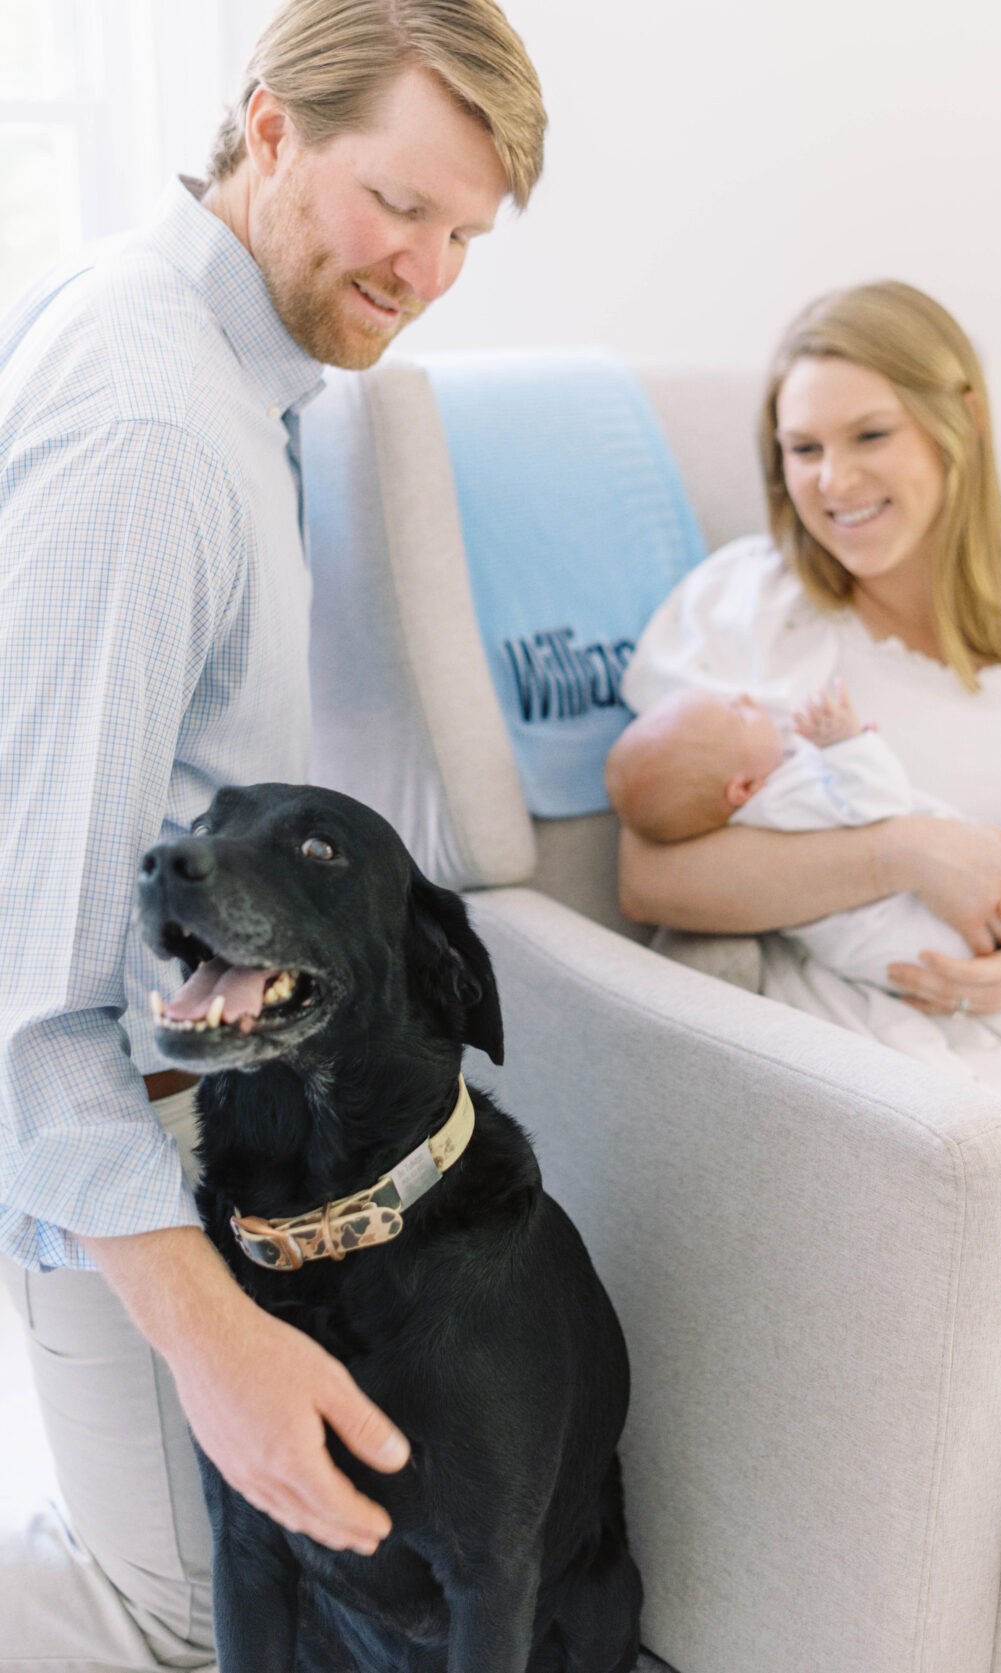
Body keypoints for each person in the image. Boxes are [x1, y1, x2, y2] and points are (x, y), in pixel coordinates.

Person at [0, 2, 545, 1667]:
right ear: (269, 125)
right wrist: (206, 1338)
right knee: (168, 1611)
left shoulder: (235, 366)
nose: (426, 267)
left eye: (464, 231)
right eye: (399, 203)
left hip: (196, 1127)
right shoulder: (156, 433)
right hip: (104, 1163)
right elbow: (31, 947)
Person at [616, 280, 1001, 1668]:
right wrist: (908, 846)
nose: (829, 481)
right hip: (887, 1024)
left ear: (957, 421)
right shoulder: (749, 621)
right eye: (799, 449)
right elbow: (655, 876)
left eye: (866, 435)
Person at [604, 677, 1001, 985]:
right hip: (894, 923)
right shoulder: (785, 796)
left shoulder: (755, 801)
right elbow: (883, 801)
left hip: (877, 941)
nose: (746, 698)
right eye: (737, 712)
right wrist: (847, 742)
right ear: (740, 788)